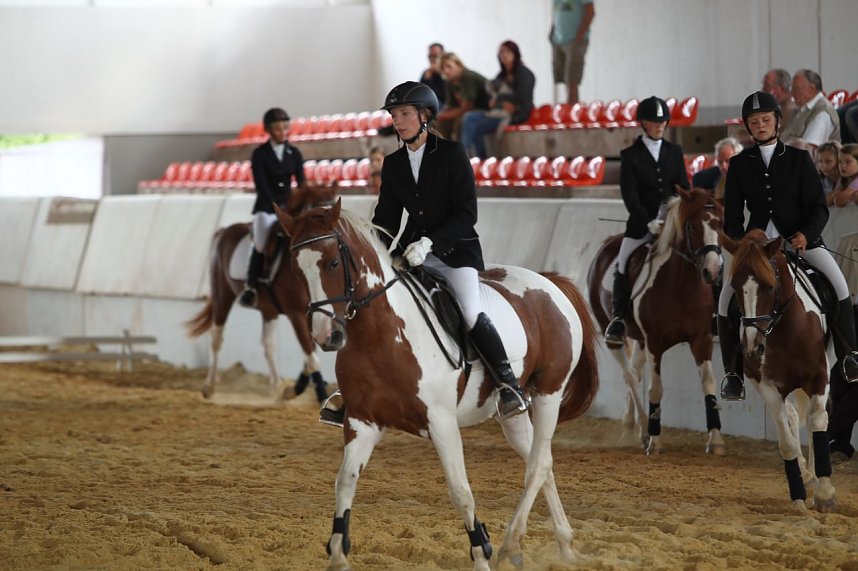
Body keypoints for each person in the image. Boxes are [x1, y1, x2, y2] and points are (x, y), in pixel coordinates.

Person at [320, 81, 530, 426]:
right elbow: (386, 218)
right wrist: (375, 255)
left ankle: (509, 385)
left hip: (455, 252)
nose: (397, 121)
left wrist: (430, 243)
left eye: (404, 114)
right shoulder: (393, 164)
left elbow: (466, 213)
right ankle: (352, 388)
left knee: (470, 309)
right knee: (372, 304)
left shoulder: (452, 154)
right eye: (394, 115)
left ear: (425, 116)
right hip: (411, 253)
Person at [717, 91, 858, 401]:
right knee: (725, 299)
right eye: (755, 122)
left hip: (800, 242)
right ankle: (732, 373)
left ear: (778, 122)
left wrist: (807, 235)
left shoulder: (799, 160)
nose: (761, 125)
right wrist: (745, 244)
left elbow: (819, 208)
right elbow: (732, 217)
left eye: (766, 120)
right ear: (748, 127)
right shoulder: (740, 165)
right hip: (757, 248)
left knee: (839, 285)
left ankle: (849, 354)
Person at [604, 96, 690, 347]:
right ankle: (618, 318)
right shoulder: (630, 156)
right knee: (622, 262)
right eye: (654, 121)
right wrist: (649, 220)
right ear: (643, 123)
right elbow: (629, 194)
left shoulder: (674, 152)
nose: (660, 125)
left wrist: (671, 217)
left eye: (663, 121)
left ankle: (712, 313)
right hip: (642, 225)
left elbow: (682, 187)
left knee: (700, 254)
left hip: (671, 222)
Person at [239, 107, 305, 308]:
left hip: (289, 207)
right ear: (268, 130)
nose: (283, 132)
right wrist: (278, 208)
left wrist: (298, 206)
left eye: (286, 127)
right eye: (278, 128)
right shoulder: (260, 154)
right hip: (266, 208)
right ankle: (250, 285)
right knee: (260, 242)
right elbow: (262, 185)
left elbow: (302, 184)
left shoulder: (294, 153)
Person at [460, 40, 536, 159]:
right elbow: (491, 95)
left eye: (508, 51)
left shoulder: (524, 74)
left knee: (478, 127)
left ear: (515, 54)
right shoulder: (501, 75)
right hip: (497, 111)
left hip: (516, 113)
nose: (504, 55)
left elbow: (522, 97)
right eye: (501, 52)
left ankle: (480, 159)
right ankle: (465, 154)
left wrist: (500, 98)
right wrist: (495, 100)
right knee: (469, 117)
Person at [435, 53, 491, 141]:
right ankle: (446, 150)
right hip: (468, 111)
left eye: (449, 66)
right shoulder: (449, 82)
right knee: (438, 122)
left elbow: (467, 107)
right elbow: (449, 106)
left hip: (484, 110)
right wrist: (437, 116)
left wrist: (443, 116)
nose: (446, 71)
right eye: (443, 68)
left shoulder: (467, 77)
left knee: (460, 121)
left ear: (458, 65)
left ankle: (462, 151)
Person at [781, 69, 840, 151]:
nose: (792, 93)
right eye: (792, 89)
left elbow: (808, 149)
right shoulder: (800, 109)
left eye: (796, 88)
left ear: (812, 88)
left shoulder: (822, 113)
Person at [550, 0, 595, 105]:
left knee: (572, 78)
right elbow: (555, 11)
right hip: (558, 39)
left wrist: (579, 36)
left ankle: (572, 111)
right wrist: (552, 31)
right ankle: (569, 106)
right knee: (563, 77)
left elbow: (590, 12)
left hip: (575, 40)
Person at [691, 137, 743, 203]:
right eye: (720, 162)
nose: (723, 167)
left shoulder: (751, 178)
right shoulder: (702, 180)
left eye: (728, 161)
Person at [762, 68, 797, 134]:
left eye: (767, 86)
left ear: (781, 88)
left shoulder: (793, 111)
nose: (763, 90)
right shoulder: (775, 108)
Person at [829, 143, 858, 207]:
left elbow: (838, 201)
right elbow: (826, 201)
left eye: (848, 162)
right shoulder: (844, 180)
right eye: (840, 162)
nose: (843, 166)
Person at [419, 42, 446, 108]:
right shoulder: (427, 73)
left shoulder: (448, 72)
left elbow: (445, 95)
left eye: (435, 56)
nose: (432, 59)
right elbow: (419, 93)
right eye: (430, 56)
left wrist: (440, 72)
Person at [815, 141, 841, 205]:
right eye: (820, 161)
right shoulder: (820, 181)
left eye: (828, 161)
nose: (823, 166)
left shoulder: (850, 178)